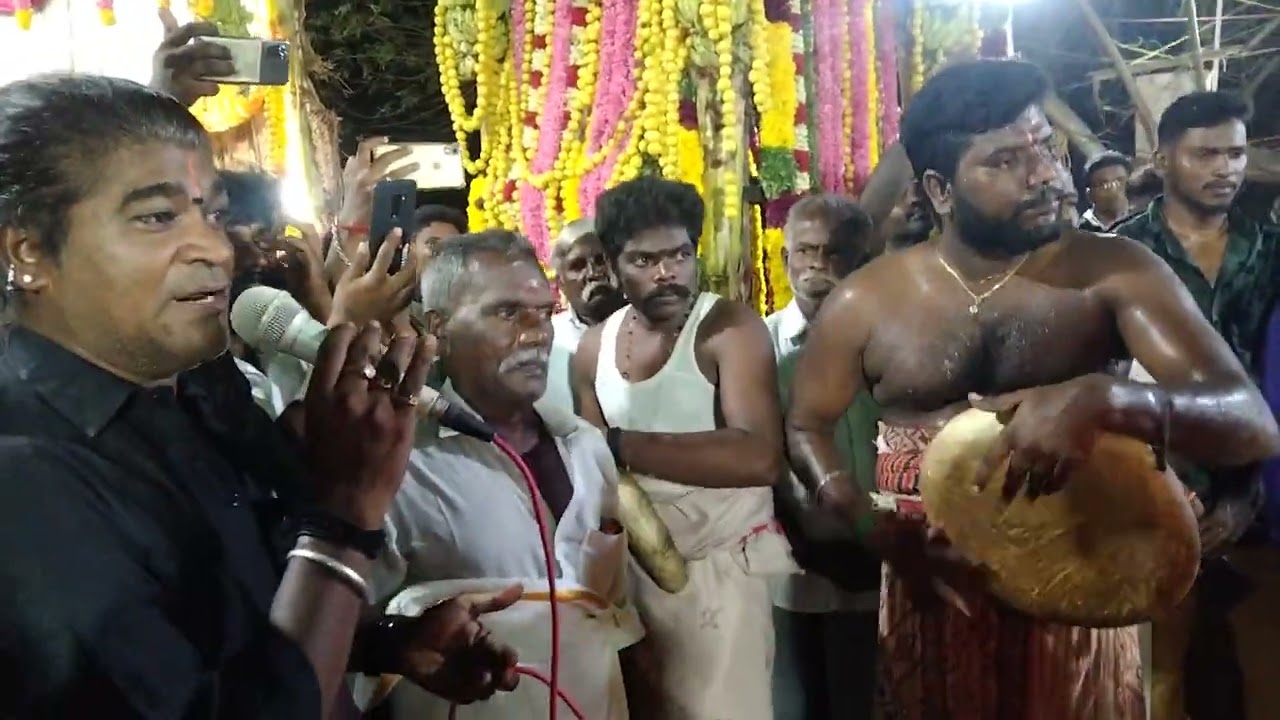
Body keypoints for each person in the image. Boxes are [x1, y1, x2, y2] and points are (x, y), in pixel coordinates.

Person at [0, 74, 519, 718]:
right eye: (158, 217)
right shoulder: (22, 470)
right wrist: (344, 519)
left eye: (214, 214)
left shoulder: (198, 388)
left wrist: (383, 641)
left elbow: (229, 626)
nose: (216, 249)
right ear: (28, 253)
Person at [783, 59, 1280, 720]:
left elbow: (1251, 421)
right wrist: (864, 521)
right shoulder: (867, 300)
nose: (1047, 173)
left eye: (1047, 146)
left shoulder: (1116, 272)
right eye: (1008, 160)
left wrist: (1108, 401)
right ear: (939, 189)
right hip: (931, 592)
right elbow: (806, 424)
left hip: (1082, 579)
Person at [361, 230, 642, 719]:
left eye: (543, 310)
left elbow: (613, 616)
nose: (536, 333)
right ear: (438, 330)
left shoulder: (585, 445)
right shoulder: (398, 464)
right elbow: (351, 634)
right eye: (507, 312)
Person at [571, 177, 792, 719]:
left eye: (679, 255)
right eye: (645, 260)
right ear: (612, 264)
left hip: (721, 574)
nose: (667, 273)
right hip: (632, 573)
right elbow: (596, 479)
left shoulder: (729, 329)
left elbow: (759, 457)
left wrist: (619, 444)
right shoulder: (594, 346)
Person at [1114, 90, 1280, 720]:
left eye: (1236, 153)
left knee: (1252, 676)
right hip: (1148, 489)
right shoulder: (1120, 254)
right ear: (1163, 158)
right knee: (1154, 677)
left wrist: (1246, 496)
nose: (1226, 168)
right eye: (1206, 153)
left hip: (1257, 491)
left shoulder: (1273, 251)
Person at [766, 195, 881, 720]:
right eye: (806, 252)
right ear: (786, 258)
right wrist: (811, 534)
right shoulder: (759, 346)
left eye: (836, 255)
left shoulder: (889, 342)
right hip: (793, 570)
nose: (818, 267)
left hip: (880, 567)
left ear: (860, 261)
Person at [544, 218, 625, 413]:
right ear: (560, 282)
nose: (593, 273)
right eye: (578, 266)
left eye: (601, 261)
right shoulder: (549, 339)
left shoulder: (647, 326)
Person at [1079, 151, 1133, 232]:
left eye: (1120, 181)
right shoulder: (1080, 232)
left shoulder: (1141, 224)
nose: (1113, 189)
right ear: (1089, 195)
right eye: (1102, 184)